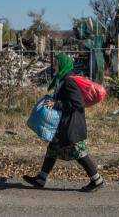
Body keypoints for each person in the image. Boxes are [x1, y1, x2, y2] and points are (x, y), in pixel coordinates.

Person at [23, 53, 105, 192]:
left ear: (62, 65)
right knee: (53, 149)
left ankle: (97, 180)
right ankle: (41, 178)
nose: (54, 65)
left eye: (56, 63)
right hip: (64, 125)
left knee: (79, 153)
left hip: (71, 125)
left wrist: (57, 104)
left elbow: (77, 104)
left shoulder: (69, 81)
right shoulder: (62, 79)